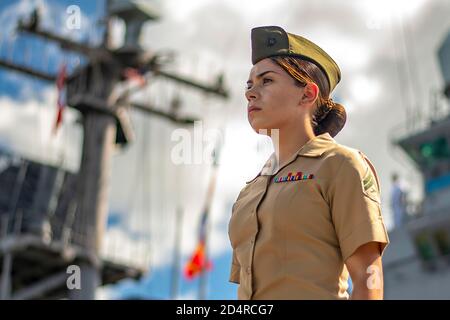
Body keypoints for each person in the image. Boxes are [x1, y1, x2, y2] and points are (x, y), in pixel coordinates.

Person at [228, 26, 390, 300]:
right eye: (249, 84)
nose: (250, 93)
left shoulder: (340, 165)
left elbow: (368, 278)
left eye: (266, 81)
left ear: (307, 94)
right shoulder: (248, 192)